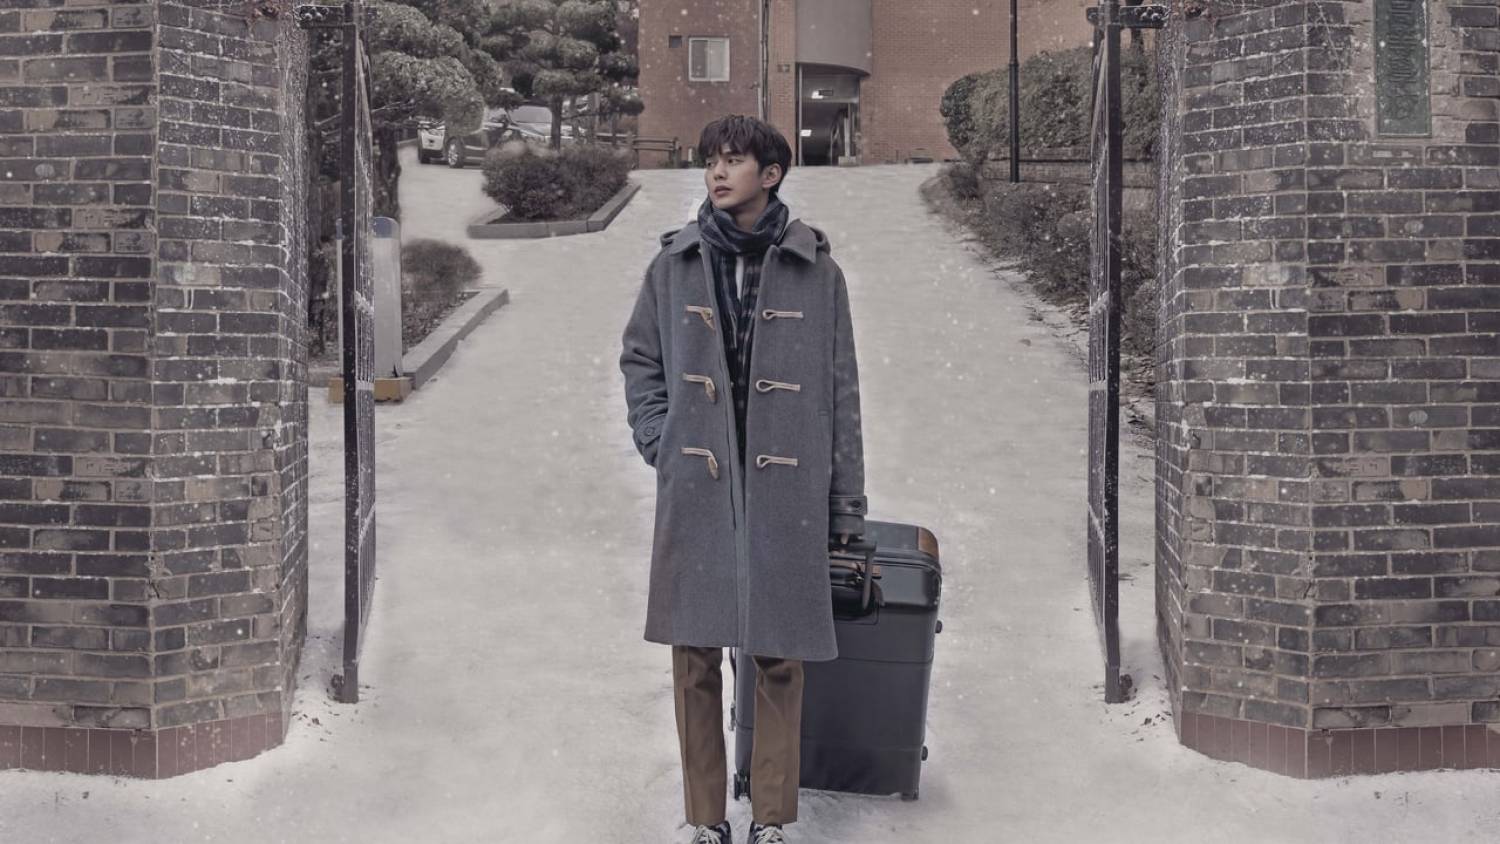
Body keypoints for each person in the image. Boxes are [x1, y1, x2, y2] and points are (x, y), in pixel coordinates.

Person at [619, 115, 867, 844]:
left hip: (786, 489)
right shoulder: (673, 266)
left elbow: (841, 390)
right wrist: (661, 438)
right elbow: (641, 360)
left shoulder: (817, 272)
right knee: (693, 655)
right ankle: (704, 820)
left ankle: (772, 819)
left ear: (772, 174)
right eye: (711, 162)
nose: (718, 174)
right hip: (698, 483)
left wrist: (846, 504)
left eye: (733, 161)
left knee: (780, 656)